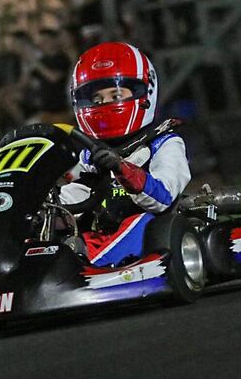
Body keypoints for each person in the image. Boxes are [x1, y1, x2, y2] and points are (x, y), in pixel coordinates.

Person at [59, 42, 191, 267]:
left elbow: (164, 197)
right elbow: (79, 193)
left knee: (140, 222)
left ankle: (83, 266)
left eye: (116, 94)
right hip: (100, 231)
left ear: (144, 93)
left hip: (150, 225)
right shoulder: (90, 154)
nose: (105, 104)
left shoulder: (164, 143)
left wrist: (123, 170)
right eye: (97, 99)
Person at [21, 28, 73, 125]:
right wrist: (27, 63)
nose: (43, 44)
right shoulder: (42, 61)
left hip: (61, 111)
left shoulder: (62, 58)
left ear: (54, 41)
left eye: (46, 41)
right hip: (45, 111)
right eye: (41, 42)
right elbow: (25, 84)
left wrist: (36, 64)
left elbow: (54, 78)